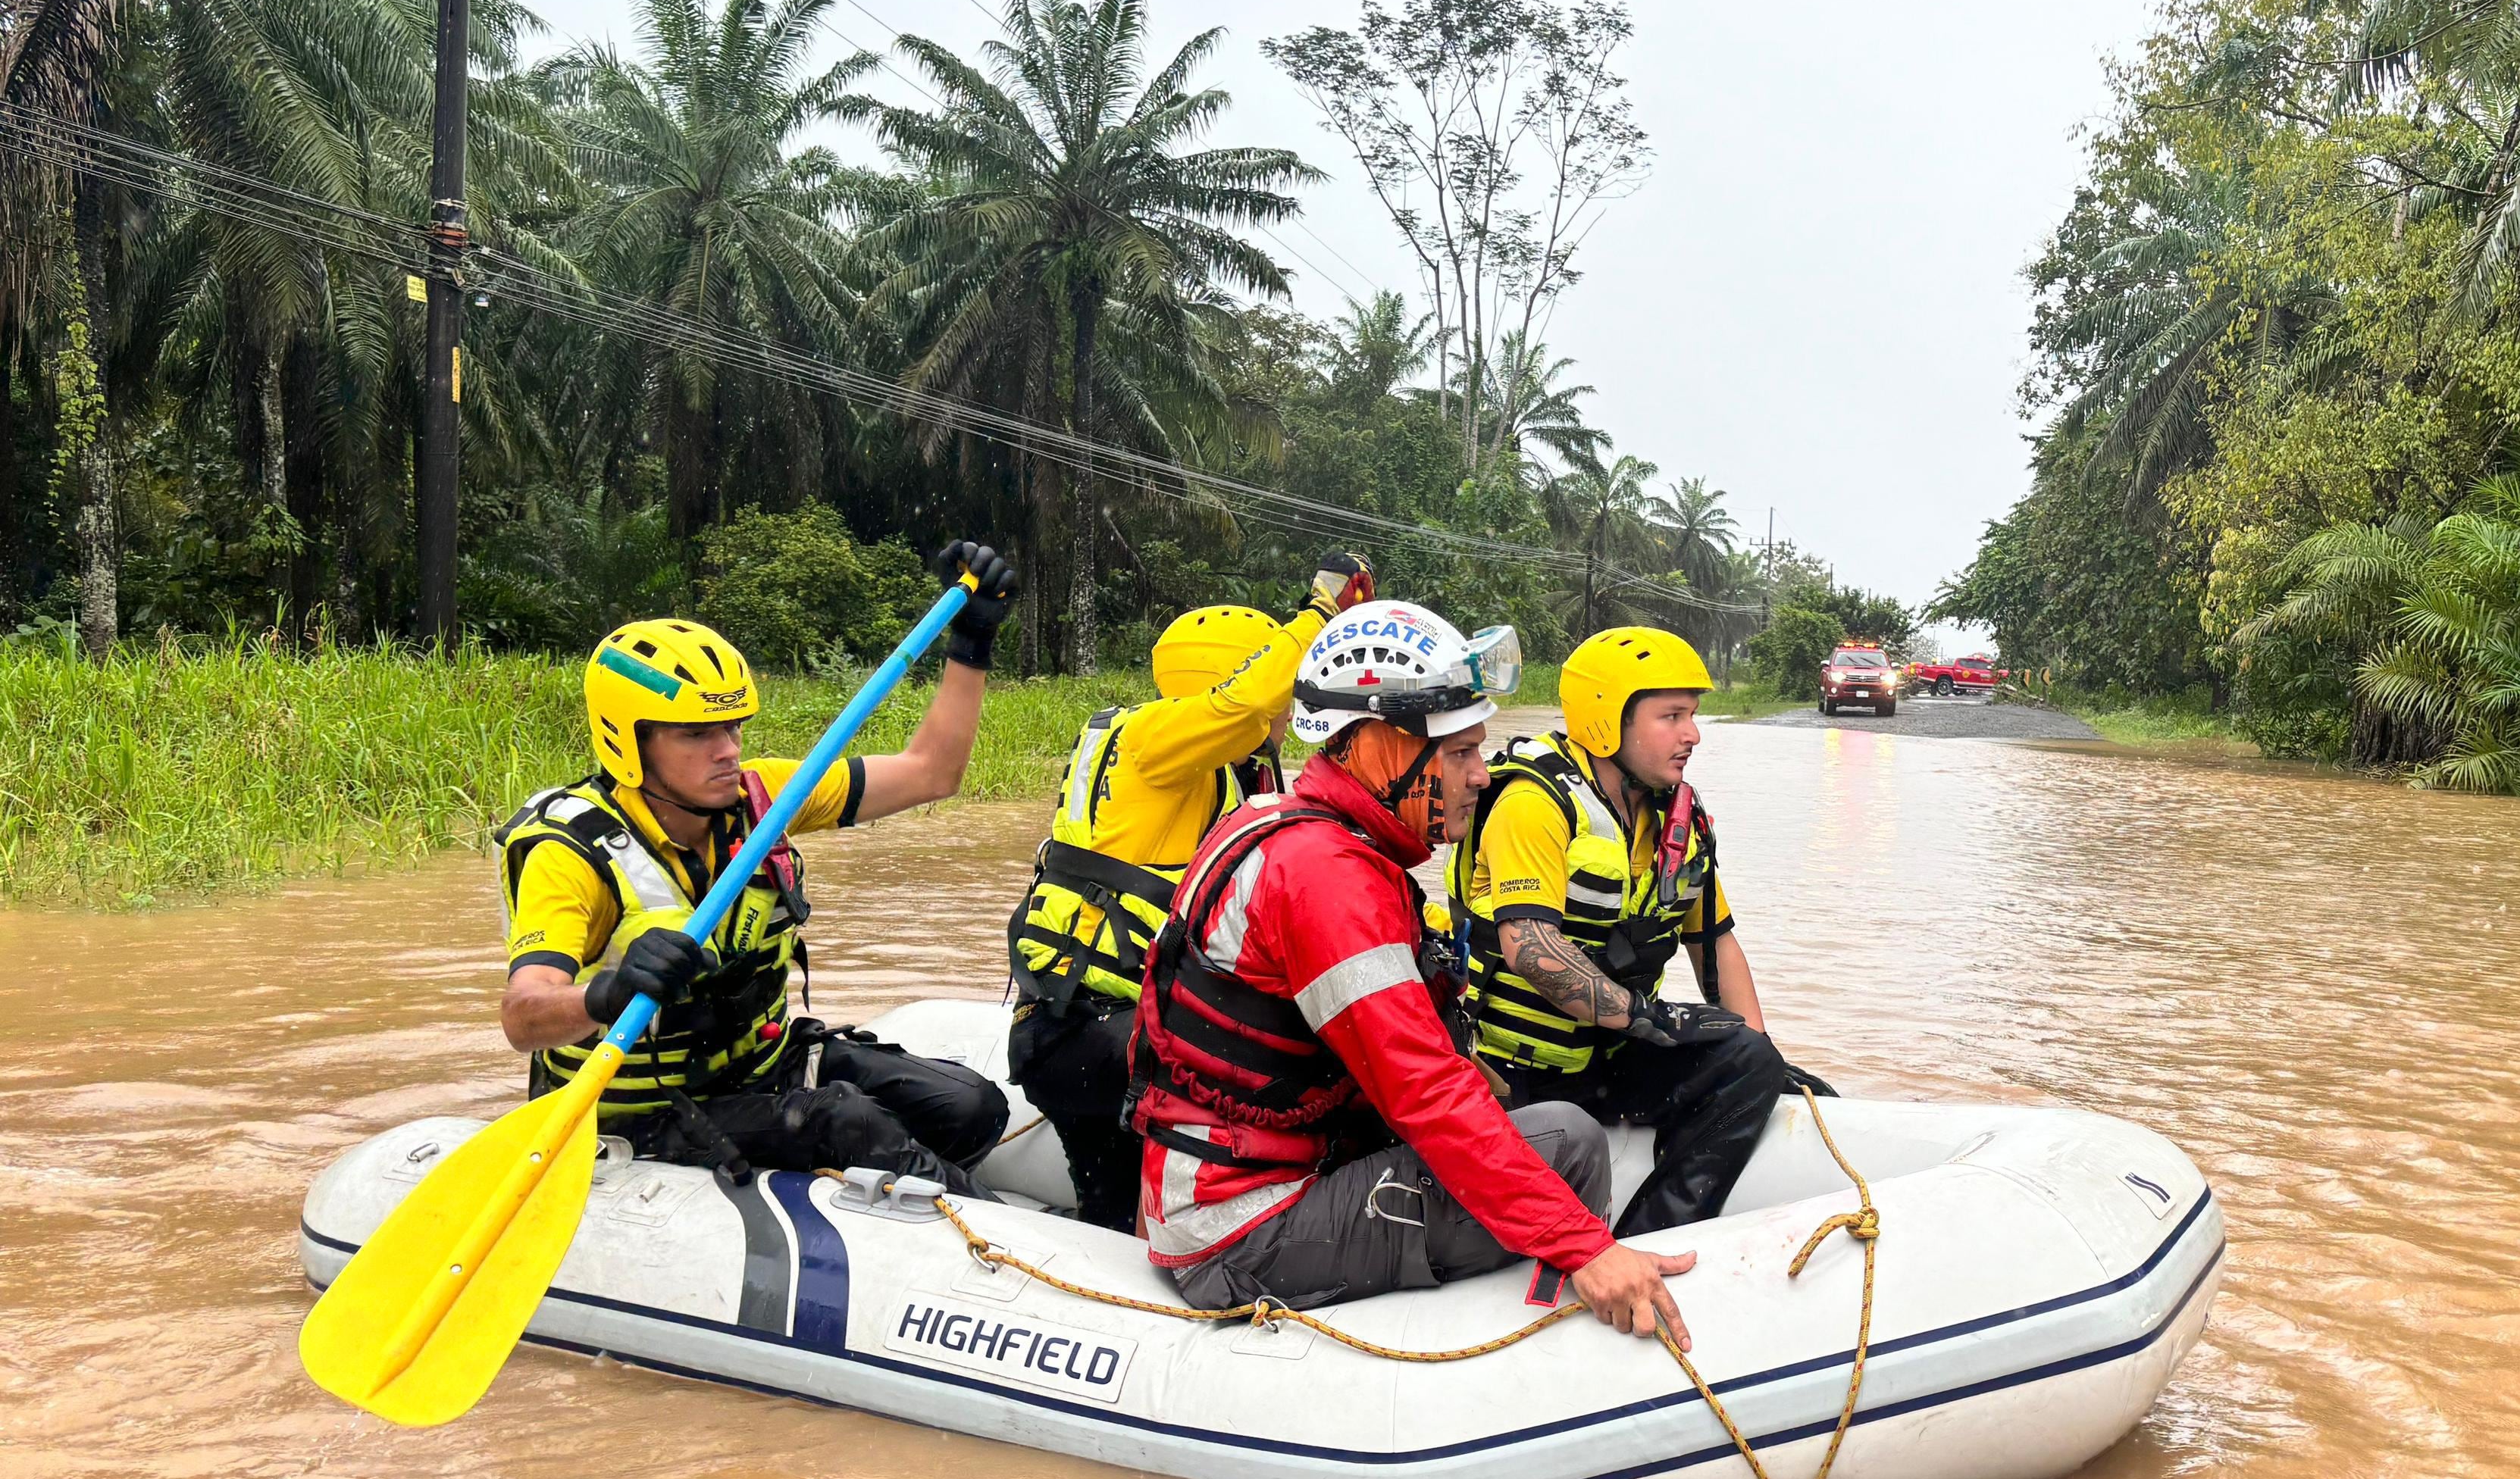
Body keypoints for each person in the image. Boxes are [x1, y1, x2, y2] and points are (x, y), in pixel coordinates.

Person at [1124, 599, 1694, 1343]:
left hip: (1240, 1183)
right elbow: (1422, 1092)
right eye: (1458, 754)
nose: (1481, 776)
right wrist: (1584, 1247)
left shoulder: (1286, 826)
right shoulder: (1326, 874)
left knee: (1531, 1125)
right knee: (1570, 1146)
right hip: (1242, 1226)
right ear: (1378, 750)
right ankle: (1523, 1361)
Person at [496, 543, 1023, 1193]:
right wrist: (607, 991)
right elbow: (524, 1016)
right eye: (696, 735)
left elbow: (931, 774)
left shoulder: (761, 799)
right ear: (628, 742)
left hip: (764, 1066)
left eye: (733, 728)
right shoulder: (570, 851)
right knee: (849, 1124)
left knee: (972, 1106)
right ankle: (976, 1224)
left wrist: (971, 643)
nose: (728, 752)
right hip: (647, 1113)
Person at [1003, 551, 1373, 1232]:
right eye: (1285, 691)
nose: (1286, 711)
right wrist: (1320, 610)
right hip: (1079, 1035)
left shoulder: (1233, 778)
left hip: (1124, 1029)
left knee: (1111, 1203)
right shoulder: (1152, 741)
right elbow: (1249, 700)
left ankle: (1123, 1229)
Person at [1454, 625, 1830, 1238]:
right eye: (1672, 716)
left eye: (1693, 715)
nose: (1692, 735)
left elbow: (1714, 944)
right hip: (1515, 1072)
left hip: (1606, 1057)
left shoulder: (1677, 817)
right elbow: (1530, 948)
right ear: (1608, 721)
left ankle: (1654, 1236)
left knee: (1748, 1059)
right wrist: (1647, 1017)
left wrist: (1763, 1058)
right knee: (1703, 1044)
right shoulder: (1534, 801)